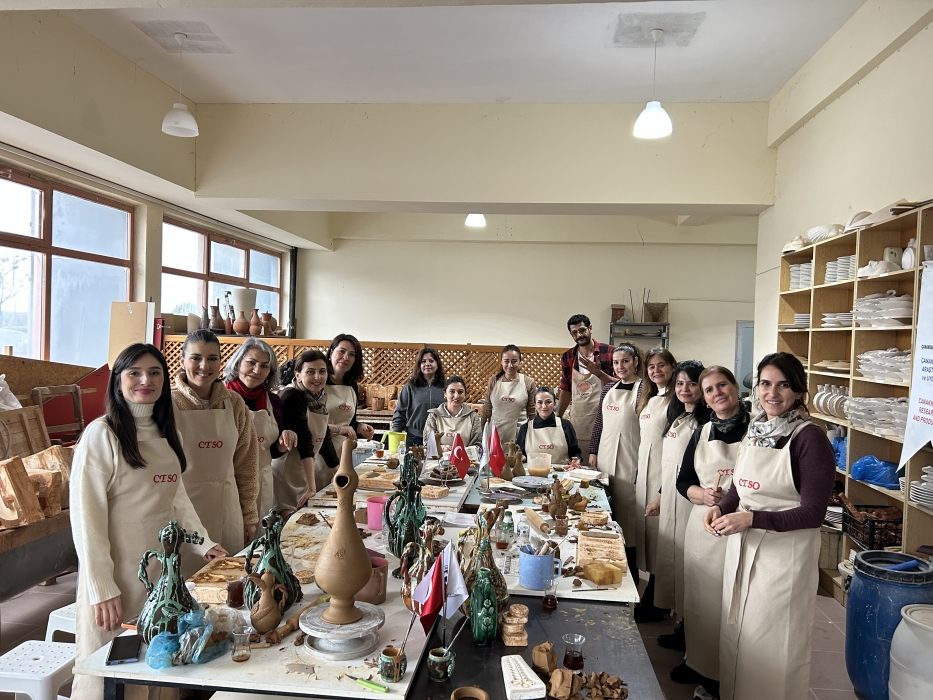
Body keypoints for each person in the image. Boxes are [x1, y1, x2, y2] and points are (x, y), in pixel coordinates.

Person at [71, 344, 227, 700]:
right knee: (110, 671)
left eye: (155, 373)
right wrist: (101, 585)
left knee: (155, 662)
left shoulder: (168, 433)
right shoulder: (102, 434)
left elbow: (176, 499)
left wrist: (202, 542)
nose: (146, 380)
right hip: (116, 575)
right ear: (118, 380)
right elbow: (86, 516)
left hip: (160, 573)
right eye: (135, 373)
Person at [704, 353, 835, 700]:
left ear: (798, 391)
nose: (772, 393)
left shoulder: (809, 439)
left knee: (774, 642)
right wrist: (720, 507)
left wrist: (752, 518)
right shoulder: (757, 430)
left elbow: (813, 513)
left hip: (784, 559)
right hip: (744, 548)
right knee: (740, 635)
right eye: (765, 384)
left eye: (783, 385)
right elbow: (740, 488)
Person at [673, 366, 749, 696]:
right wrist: (702, 495)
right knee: (701, 603)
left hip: (742, 528)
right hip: (704, 527)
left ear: (734, 387)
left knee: (733, 608)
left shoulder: (756, 431)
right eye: (709, 390)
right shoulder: (702, 432)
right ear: (705, 398)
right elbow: (683, 482)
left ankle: (729, 673)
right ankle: (699, 663)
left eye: (722, 385)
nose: (717, 393)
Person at [172, 330, 258, 574]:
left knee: (226, 581)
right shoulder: (167, 404)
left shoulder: (234, 403)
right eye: (196, 358)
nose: (204, 366)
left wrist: (249, 514)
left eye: (212, 358)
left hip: (227, 511)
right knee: (184, 583)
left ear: (221, 362)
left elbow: (246, 463)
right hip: (182, 515)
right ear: (182, 361)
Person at [654, 360, 706, 648]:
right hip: (672, 498)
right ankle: (682, 625)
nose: (685, 389)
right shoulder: (677, 416)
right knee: (673, 559)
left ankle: (691, 631)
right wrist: (661, 495)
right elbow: (672, 465)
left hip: (691, 501)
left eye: (692, 383)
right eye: (680, 383)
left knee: (689, 564)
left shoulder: (704, 422)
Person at [222, 338, 298, 529]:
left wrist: (283, 443)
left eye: (264, 366)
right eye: (251, 362)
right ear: (238, 363)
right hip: (229, 482)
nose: (257, 370)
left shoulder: (274, 401)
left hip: (262, 482)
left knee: (259, 539)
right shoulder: (221, 396)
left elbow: (272, 452)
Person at [588, 344, 643, 567]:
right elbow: (599, 422)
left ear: (635, 362)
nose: (620, 366)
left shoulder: (644, 389)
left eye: (625, 361)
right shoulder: (608, 388)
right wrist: (593, 450)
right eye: (616, 362)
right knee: (604, 504)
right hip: (605, 454)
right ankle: (605, 555)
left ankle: (629, 563)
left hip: (631, 456)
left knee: (628, 512)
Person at [633, 347, 676, 622]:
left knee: (663, 538)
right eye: (651, 366)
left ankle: (659, 600)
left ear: (672, 367)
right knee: (648, 536)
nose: (656, 370)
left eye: (661, 365)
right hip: (645, 475)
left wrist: (662, 489)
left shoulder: (676, 400)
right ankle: (654, 593)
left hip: (663, 474)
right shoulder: (648, 398)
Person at [273, 349, 340, 507]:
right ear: (298, 375)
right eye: (310, 372)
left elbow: (324, 437)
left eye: (322, 371)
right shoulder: (292, 396)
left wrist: (338, 471)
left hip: (302, 470)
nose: (317, 377)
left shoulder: (319, 398)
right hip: (285, 472)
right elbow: (304, 440)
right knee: (287, 516)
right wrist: (311, 487)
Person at [557, 314, 614, 456]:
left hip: (605, 416)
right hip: (579, 418)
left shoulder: (609, 352)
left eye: (582, 330)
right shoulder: (568, 357)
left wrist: (599, 373)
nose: (579, 335)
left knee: (602, 457)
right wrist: (558, 417)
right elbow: (566, 388)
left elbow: (620, 385)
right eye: (574, 332)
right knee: (579, 458)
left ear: (590, 328)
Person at [325, 333, 375, 449]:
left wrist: (359, 427)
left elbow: (349, 422)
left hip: (342, 450)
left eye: (352, 354)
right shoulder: (318, 383)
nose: (346, 357)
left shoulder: (352, 386)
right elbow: (310, 424)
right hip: (317, 449)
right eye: (341, 351)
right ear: (331, 352)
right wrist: (339, 429)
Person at [480, 344, 536, 444]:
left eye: (514, 361)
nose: (510, 365)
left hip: (519, 433)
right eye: (506, 361)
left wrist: (535, 434)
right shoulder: (493, 381)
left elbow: (532, 411)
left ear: (519, 361)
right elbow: (487, 408)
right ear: (501, 361)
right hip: (494, 433)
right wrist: (481, 432)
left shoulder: (528, 382)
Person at [392, 347, 446, 448]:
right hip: (414, 438)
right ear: (419, 365)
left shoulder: (445, 387)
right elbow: (400, 412)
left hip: (439, 438)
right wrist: (396, 434)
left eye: (431, 361)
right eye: (423, 361)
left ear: (437, 364)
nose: (427, 364)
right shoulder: (410, 386)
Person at [517, 386, 582, 464]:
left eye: (548, 402)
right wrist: (522, 457)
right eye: (540, 402)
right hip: (532, 471)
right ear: (535, 405)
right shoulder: (525, 428)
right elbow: (520, 454)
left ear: (554, 404)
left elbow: (576, 453)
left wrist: (577, 459)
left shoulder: (565, 425)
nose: (544, 406)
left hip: (561, 471)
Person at [423, 375, 482, 448]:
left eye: (460, 392)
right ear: (445, 394)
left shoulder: (472, 416)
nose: (456, 396)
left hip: (465, 455)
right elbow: (427, 443)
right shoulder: (434, 416)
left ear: (465, 394)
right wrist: (442, 448)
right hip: (440, 455)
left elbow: (478, 444)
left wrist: (462, 450)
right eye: (452, 392)